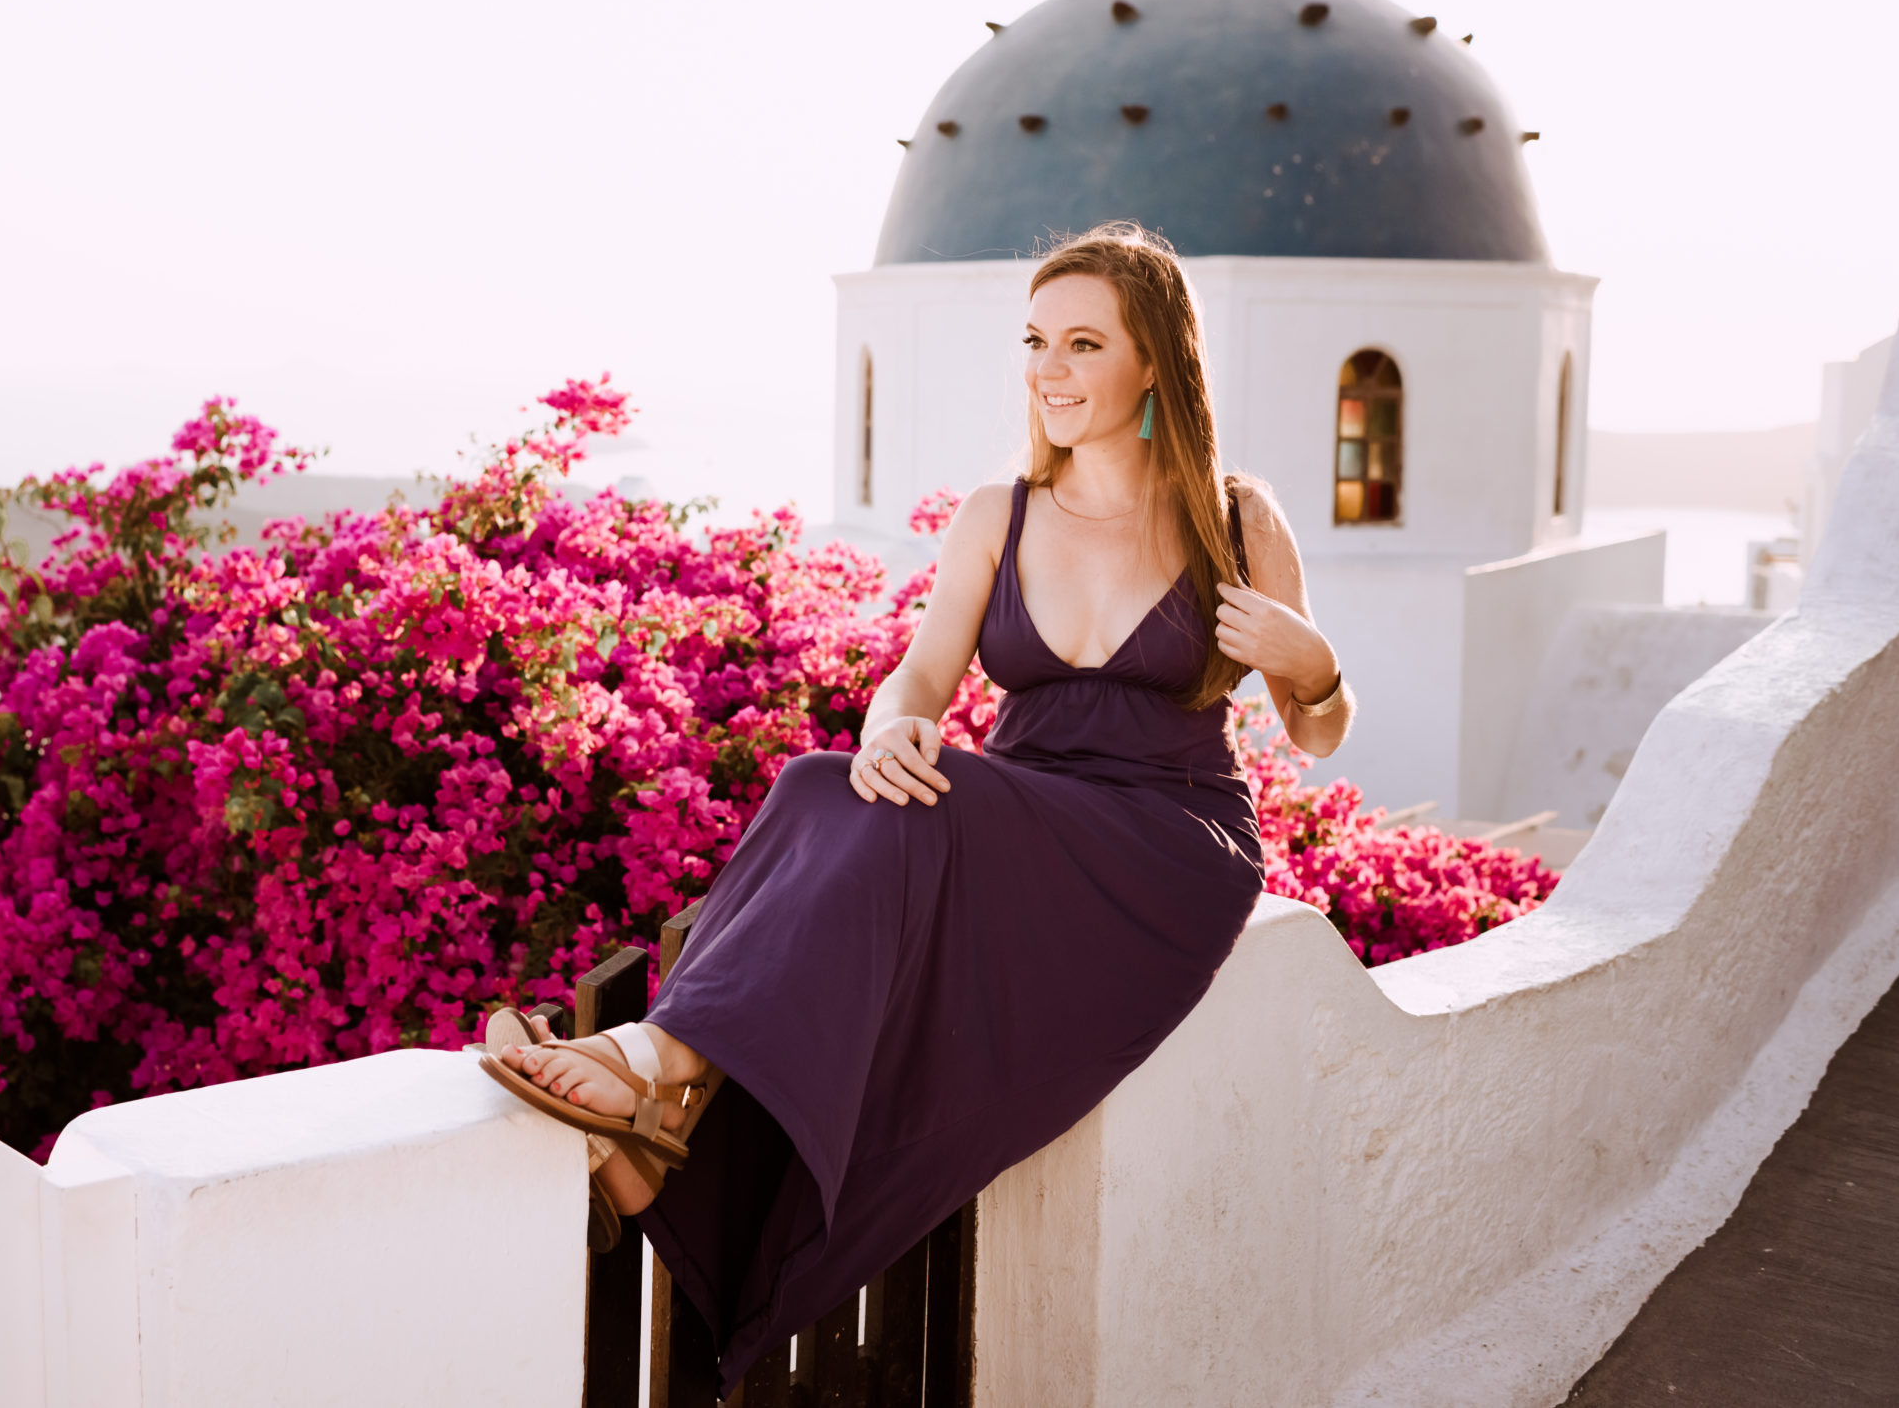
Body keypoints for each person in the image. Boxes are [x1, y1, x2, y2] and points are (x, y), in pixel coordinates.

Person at [479, 223, 1353, 1393]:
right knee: (816, 777)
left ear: (1155, 362)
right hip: (1026, 808)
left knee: (911, 808)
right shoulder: (1001, 510)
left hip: (1165, 839)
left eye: (1084, 342)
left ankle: (654, 1061)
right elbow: (923, 676)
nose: (1048, 367)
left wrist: (1311, 661)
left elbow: (1316, 732)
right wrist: (893, 718)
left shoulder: (1236, 519)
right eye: (1037, 339)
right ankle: (661, 1122)